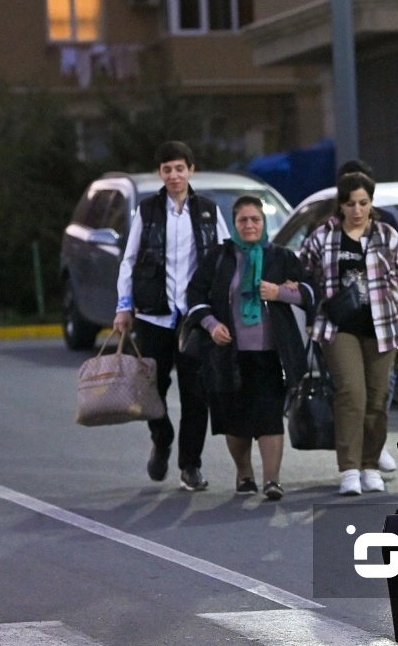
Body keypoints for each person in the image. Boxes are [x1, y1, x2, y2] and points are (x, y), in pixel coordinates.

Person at [301, 171, 398, 495]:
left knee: (377, 398)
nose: (357, 210)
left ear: (371, 203)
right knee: (351, 394)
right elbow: (303, 273)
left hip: (382, 327)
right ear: (340, 205)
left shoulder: (386, 236)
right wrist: (311, 309)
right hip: (339, 327)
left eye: (363, 203)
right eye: (351, 203)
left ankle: (370, 465)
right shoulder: (323, 237)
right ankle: (349, 469)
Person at [185, 195, 313, 500]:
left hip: (272, 354)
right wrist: (212, 325)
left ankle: (272, 480)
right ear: (234, 224)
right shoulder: (220, 257)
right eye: (243, 220)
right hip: (227, 353)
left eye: (255, 219)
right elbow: (195, 296)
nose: (249, 225)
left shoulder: (280, 257)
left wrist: (280, 292)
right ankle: (244, 474)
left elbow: (311, 290)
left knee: (269, 415)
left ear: (264, 222)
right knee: (235, 418)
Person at [114, 141, 223, 492]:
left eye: (180, 168)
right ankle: (162, 439)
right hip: (154, 317)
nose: (174, 175)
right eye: (167, 169)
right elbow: (129, 261)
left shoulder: (208, 211)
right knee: (152, 390)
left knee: (196, 394)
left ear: (191, 169)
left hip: (195, 318)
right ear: (159, 174)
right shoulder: (147, 211)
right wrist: (123, 306)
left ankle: (190, 465)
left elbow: (223, 260)